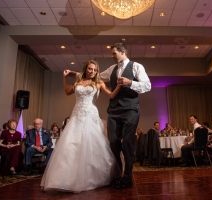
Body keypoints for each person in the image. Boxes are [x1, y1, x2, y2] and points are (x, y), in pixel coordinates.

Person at [41, 60, 122, 192]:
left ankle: (91, 176)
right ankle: (64, 179)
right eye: (90, 69)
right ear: (85, 69)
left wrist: (118, 85)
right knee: (71, 144)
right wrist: (65, 77)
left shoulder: (98, 82)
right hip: (77, 114)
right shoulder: (78, 81)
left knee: (90, 144)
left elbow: (111, 94)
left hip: (90, 114)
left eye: (95, 70)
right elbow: (67, 91)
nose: (93, 72)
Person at [99, 43, 151, 189]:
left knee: (128, 142)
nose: (112, 56)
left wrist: (131, 82)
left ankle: (127, 177)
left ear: (123, 52)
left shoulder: (136, 66)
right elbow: (97, 76)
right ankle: (117, 174)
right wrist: (78, 74)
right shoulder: (112, 69)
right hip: (114, 110)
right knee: (113, 142)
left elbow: (147, 85)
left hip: (130, 109)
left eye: (114, 53)